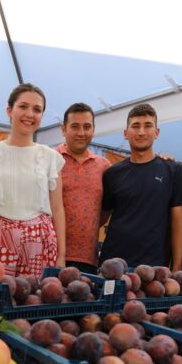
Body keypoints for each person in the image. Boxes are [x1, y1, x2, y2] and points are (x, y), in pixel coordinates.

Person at [0, 83, 66, 278]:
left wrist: (61, 256)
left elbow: (57, 209)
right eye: (23, 106)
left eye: (37, 109)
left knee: (33, 303)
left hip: (40, 245)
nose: (29, 114)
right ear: (9, 110)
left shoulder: (51, 157)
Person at [99, 103, 182, 267]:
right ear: (126, 133)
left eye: (148, 126)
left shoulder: (174, 171)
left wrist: (177, 268)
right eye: (135, 126)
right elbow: (99, 219)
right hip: (113, 264)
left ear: (157, 132)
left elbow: (179, 223)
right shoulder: (112, 173)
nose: (141, 132)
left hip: (154, 268)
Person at [56, 102, 111, 274]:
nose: (81, 133)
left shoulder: (104, 166)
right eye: (75, 127)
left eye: (87, 127)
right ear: (63, 129)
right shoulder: (50, 159)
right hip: (52, 255)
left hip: (89, 259)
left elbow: (105, 210)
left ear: (93, 129)